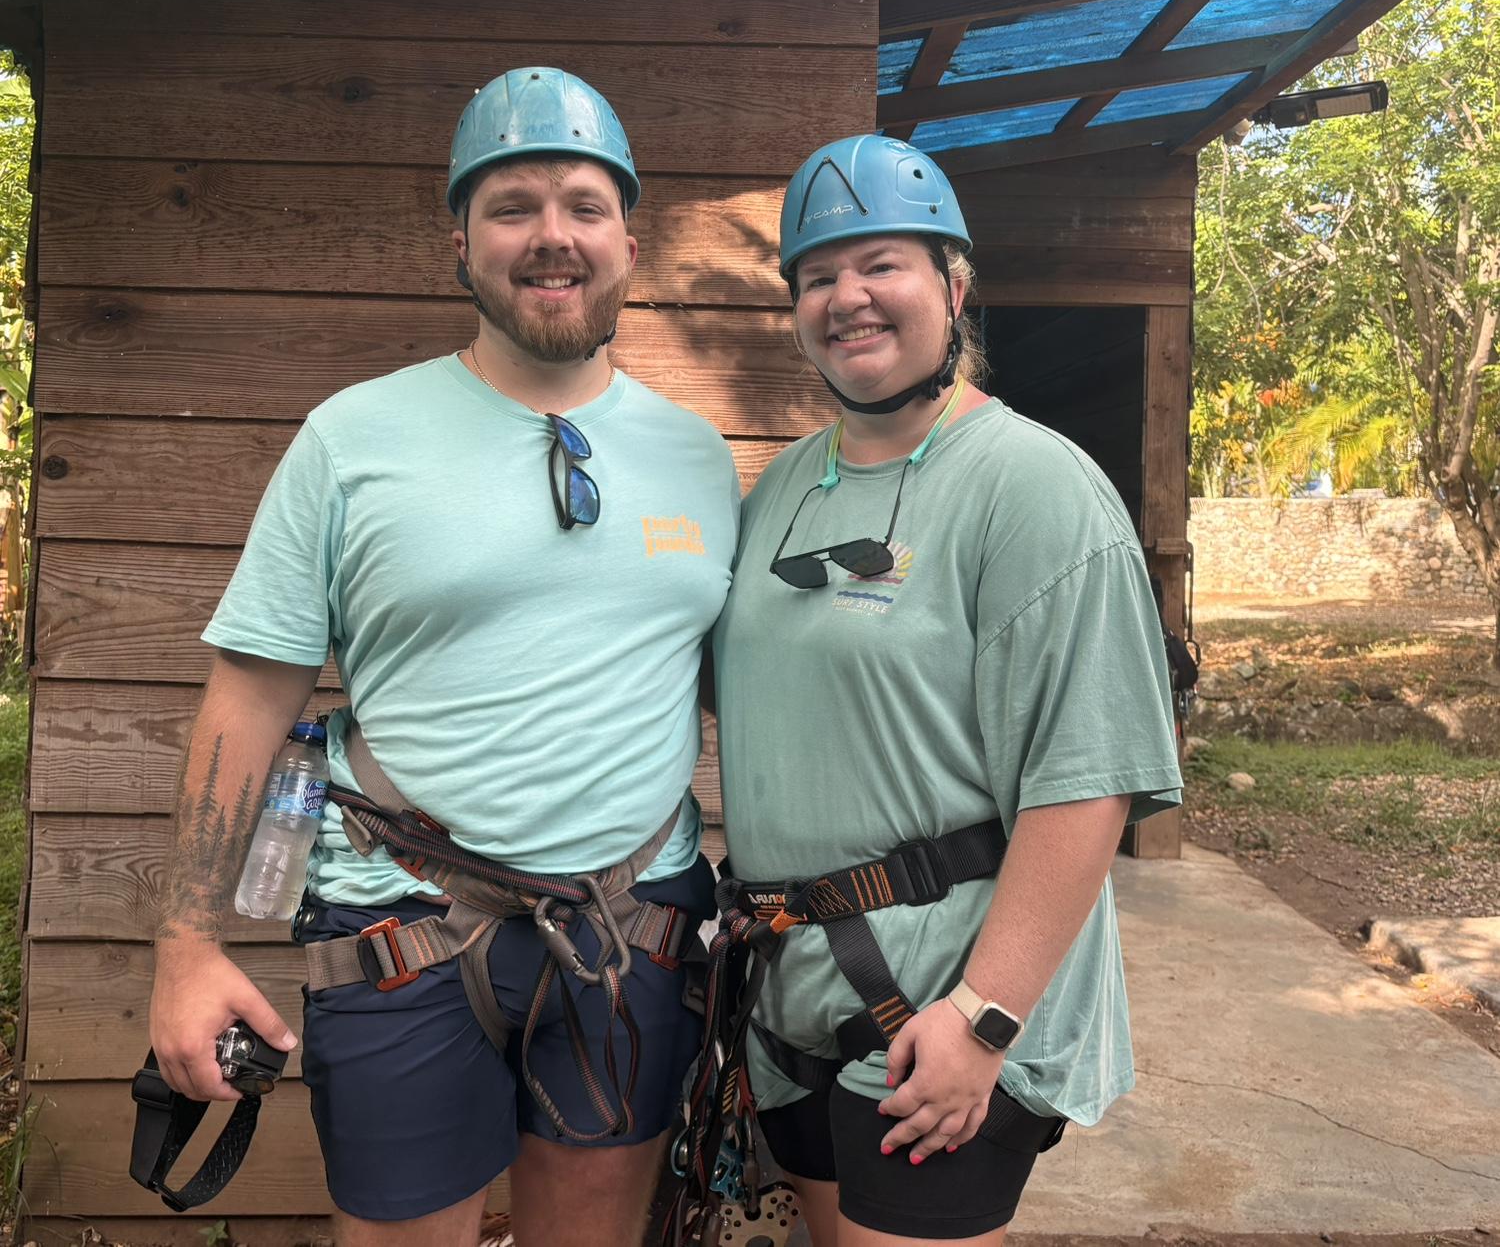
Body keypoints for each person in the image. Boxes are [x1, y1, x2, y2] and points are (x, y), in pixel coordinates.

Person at [148, 67, 740, 1246]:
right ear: (459, 243)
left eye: (582, 203)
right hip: (400, 933)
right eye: (512, 205)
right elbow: (250, 693)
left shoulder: (698, 460)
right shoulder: (354, 438)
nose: (552, 235)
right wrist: (186, 943)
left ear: (631, 239)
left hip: (631, 936)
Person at [711, 134, 1184, 1246]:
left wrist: (987, 1015)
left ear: (954, 287)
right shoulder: (783, 484)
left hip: (949, 999)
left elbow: (1092, 777)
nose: (848, 298)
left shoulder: (1033, 486)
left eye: (882, 264)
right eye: (818, 275)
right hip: (795, 991)